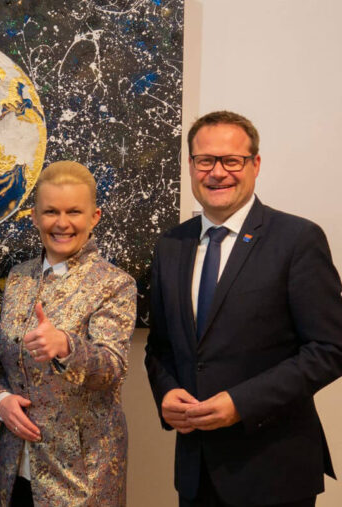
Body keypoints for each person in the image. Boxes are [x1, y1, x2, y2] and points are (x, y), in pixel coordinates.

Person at [145, 110, 342, 507]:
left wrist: (241, 403)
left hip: (274, 472)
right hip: (196, 473)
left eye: (231, 160)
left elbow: (330, 348)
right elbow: (160, 348)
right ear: (191, 165)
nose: (217, 173)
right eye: (205, 161)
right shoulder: (171, 245)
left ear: (255, 164)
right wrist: (165, 395)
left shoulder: (297, 239)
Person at [0, 161, 137, 507]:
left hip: (80, 480)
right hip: (13, 470)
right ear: (35, 217)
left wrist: (67, 346)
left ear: (95, 216)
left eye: (74, 211)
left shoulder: (114, 284)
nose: (62, 223)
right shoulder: (18, 279)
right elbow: (3, 366)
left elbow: (112, 368)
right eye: (51, 211)